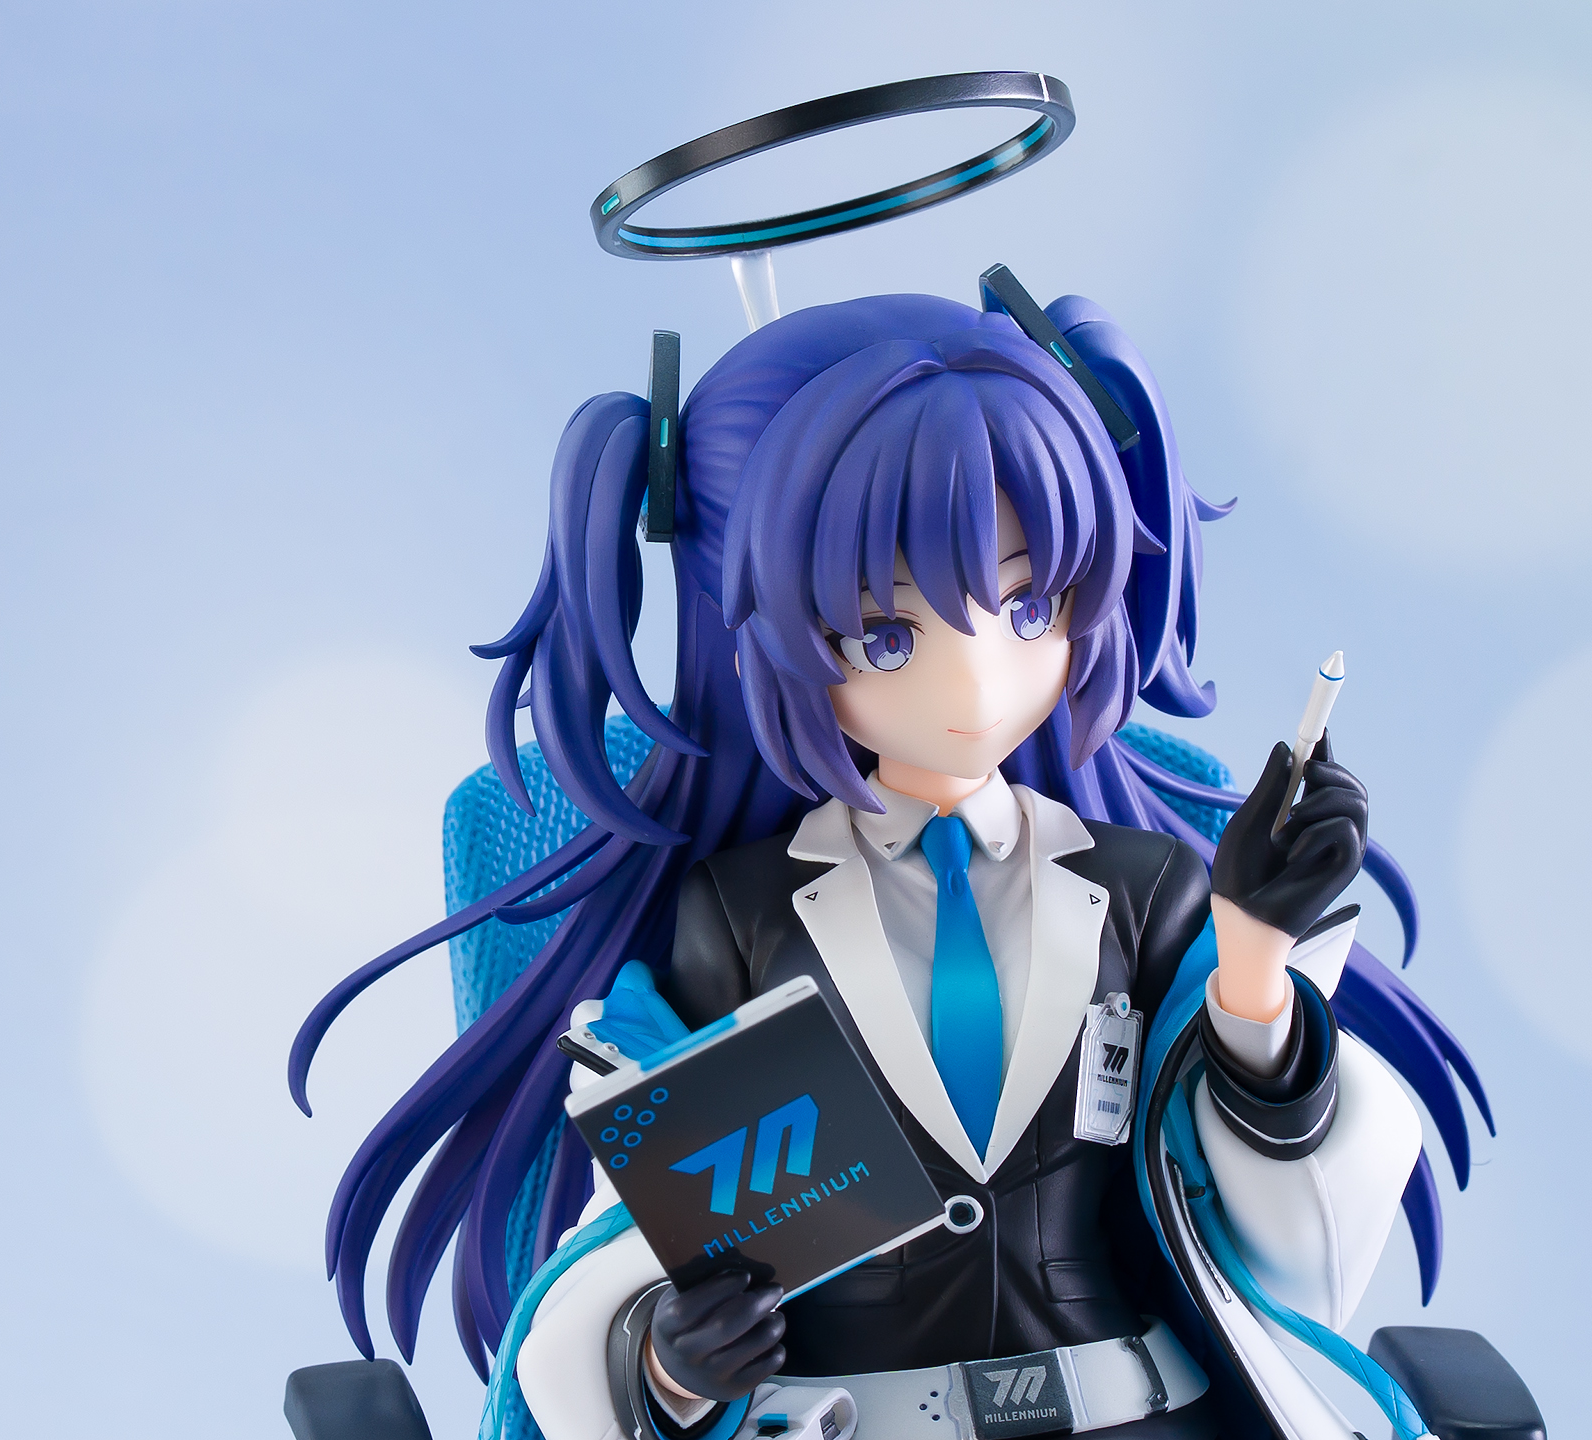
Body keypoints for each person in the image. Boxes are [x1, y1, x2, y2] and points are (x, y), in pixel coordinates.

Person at [291, 290, 1489, 1440]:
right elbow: (643, 1237)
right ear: (758, 635)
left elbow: (1280, 1244)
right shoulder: (744, 919)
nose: (977, 683)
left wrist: (1257, 967)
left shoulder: (1145, 891)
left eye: (1030, 607)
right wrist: (670, 1363)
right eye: (886, 634)